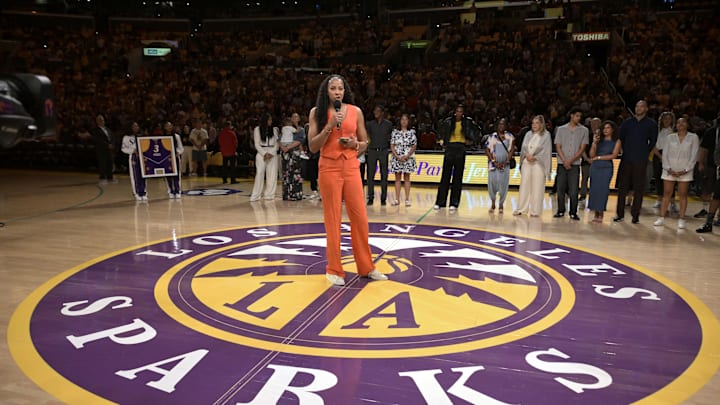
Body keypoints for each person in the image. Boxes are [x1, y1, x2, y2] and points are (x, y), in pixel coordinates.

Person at [307, 74, 387, 286]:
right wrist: (329, 126)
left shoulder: (355, 111)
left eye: (340, 88)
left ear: (345, 91)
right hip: (329, 168)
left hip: (351, 167)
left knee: (360, 218)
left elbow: (364, 142)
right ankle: (334, 269)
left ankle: (366, 267)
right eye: (333, 88)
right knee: (333, 219)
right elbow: (313, 146)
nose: (337, 92)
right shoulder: (317, 112)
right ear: (327, 91)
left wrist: (354, 145)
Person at [613, 100, 658, 224]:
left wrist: (644, 152)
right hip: (626, 158)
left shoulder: (651, 123)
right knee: (622, 188)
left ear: (646, 109)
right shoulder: (627, 123)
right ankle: (620, 214)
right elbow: (620, 138)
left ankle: (635, 215)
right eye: (637, 106)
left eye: (641, 106)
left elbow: (653, 141)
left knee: (639, 188)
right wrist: (624, 151)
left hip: (640, 160)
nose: (638, 108)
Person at [653, 117, 699, 229]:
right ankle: (661, 217)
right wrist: (669, 169)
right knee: (667, 193)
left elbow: (694, 155)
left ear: (687, 124)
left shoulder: (693, 137)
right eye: (678, 122)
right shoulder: (670, 137)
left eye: (683, 122)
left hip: (685, 171)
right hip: (669, 170)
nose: (681, 124)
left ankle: (682, 218)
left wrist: (686, 170)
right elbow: (665, 155)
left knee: (683, 194)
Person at [433, 104, 481, 211]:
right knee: (445, 176)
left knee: (457, 177)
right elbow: (440, 133)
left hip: (461, 148)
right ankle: (440, 202)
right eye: (457, 111)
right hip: (450, 148)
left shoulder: (467, 122)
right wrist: (442, 141)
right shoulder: (448, 121)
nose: (459, 113)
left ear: (463, 113)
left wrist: (471, 142)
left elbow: (477, 132)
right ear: (455, 112)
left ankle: (454, 203)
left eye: (461, 111)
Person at [553, 107, 589, 221]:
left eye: (580, 117)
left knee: (574, 190)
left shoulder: (584, 130)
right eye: (577, 116)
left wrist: (571, 161)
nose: (578, 118)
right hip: (561, 163)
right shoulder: (561, 129)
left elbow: (582, 148)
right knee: (560, 189)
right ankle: (560, 210)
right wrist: (564, 160)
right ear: (571, 116)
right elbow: (558, 146)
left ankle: (573, 212)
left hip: (575, 164)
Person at [514, 115, 552, 217]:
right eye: (533, 123)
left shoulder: (546, 135)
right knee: (524, 185)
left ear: (541, 124)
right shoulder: (528, 134)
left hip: (538, 163)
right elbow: (523, 148)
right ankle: (521, 209)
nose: (534, 125)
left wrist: (535, 157)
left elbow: (546, 150)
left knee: (537, 187)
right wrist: (527, 155)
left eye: (537, 123)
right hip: (527, 162)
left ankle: (535, 211)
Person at [588, 121, 622, 222]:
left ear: (612, 130)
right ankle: (595, 212)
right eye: (604, 128)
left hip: (606, 167)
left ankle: (601, 212)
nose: (605, 130)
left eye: (608, 128)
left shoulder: (617, 141)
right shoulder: (599, 140)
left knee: (603, 190)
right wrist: (594, 142)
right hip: (595, 167)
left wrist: (599, 157)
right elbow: (591, 155)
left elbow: (614, 155)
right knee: (594, 190)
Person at [485, 118, 515, 214]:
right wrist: (494, 161)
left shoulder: (510, 137)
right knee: (492, 185)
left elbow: (511, 150)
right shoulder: (491, 137)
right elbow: (487, 150)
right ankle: (493, 203)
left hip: (504, 165)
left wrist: (505, 162)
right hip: (493, 165)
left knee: (503, 185)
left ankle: (501, 204)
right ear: (497, 126)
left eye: (503, 124)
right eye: (499, 124)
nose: (501, 126)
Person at [365, 105, 393, 206]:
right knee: (370, 176)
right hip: (372, 151)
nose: (375, 112)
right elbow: (366, 136)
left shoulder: (388, 124)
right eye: (374, 110)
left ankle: (383, 198)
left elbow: (391, 137)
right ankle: (370, 197)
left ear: (382, 113)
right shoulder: (370, 124)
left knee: (384, 175)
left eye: (377, 111)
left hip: (383, 151)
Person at [696, 120, 720, 233]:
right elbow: (704, 148)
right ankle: (709, 223)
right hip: (713, 166)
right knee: (714, 194)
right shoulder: (712, 132)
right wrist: (700, 162)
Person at [389, 113, 417, 207]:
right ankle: (397, 199)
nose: (404, 121)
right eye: (402, 119)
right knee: (397, 178)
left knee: (407, 178)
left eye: (406, 119)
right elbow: (392, 145)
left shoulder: (412, 132)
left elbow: (414, 145)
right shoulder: (395, 132)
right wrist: (396, 156)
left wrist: (407, 155)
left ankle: (407, 199)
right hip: (397, 157)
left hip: (408, 158)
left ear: (408, 121)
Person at [250, 112, 279, 201]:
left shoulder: (274, 130)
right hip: (261, 154)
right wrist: (264, 153)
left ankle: (269, 194)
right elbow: (257, 144)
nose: (271, 121)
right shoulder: (257, 129)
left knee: (272, 174)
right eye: (269, 119)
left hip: (272, 154)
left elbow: (277, 144)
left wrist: (271, 153)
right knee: (259, 173)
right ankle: (256, 195)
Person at [651, 112, 677, 210]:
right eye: (665, 118)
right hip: (658, 154)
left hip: (671, 155)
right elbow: (653, 145)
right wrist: (660, 157)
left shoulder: (674, 132)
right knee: (658, 178)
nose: (666, 120)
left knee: (671, 179)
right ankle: (659, 199)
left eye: (669, 118)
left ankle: (673, 202)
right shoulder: (656, 131)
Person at [280, 113, 306, 201]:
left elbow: (300, 140)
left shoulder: (301, 130)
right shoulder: (284, 128)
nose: (295, 118)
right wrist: (282, 147)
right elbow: (279, 139)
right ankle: (286, 194)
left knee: (295, 173)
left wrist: (288, 147)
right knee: (286, 173)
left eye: (297, 117)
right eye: (293, 117)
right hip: (285, 153)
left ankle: (296, 194)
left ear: (299, 119)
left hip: (295, 153)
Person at [121, 122, 147, 201]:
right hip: (133, 157)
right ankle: (137, 192)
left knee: (143, 174)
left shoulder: (141, 136)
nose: (136, 127)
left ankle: (143, 192)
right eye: (134, 126)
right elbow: (123, 149)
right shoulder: (126, 137)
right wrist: (132, 151)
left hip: (142, 157)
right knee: (135, 175)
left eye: (137, 126)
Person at [90, 114, 117, 184]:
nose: (101, 121)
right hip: (101, 149)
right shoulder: (95, 130)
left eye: (102, 120)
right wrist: (107, 145)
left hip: (109, 149)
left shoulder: (107, 129)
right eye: (99, 120)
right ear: (97, 121)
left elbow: (112, 137)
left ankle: (110, 177)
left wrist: (112, 144)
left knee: (110, 163)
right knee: (103, 163)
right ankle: (102, 178)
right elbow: (98, 140)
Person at [579, 117, 601, 203]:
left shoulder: (602, 136)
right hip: (586, 162)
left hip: (598, 162)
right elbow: (582, 148)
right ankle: (583, 195)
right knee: (584, 179)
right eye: (592, 124)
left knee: (595, 180)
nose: (594, 125)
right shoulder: (586, 135)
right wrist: (587, 159)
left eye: (596, 124)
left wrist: (596, 159)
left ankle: (594, 196)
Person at [161, 121, 184, 199]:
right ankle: (171, 190)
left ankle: (177, 191)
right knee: (168, 175)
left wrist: (178, 152)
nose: (169, 127)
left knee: (176, 175)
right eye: (167, 126)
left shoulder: (176, 136)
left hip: (175, 158)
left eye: (170, 126)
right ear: (164, 127)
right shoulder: (162, 137)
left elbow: (180, 147)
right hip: (166, 159)